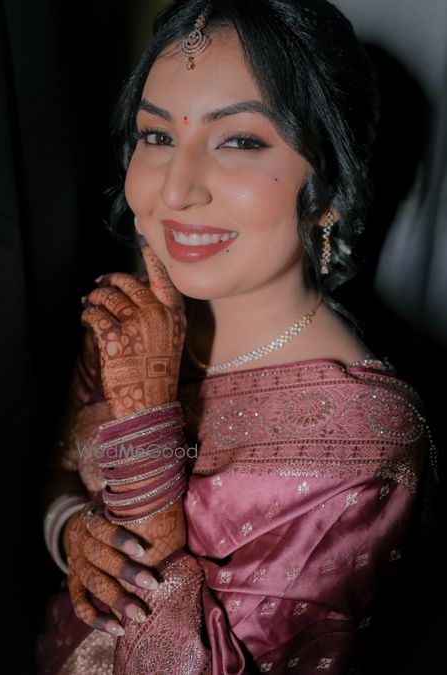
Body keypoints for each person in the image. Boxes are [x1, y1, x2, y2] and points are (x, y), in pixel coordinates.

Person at [37, 1, 434, 673]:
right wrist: (71, 532)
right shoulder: (136, 322)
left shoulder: (369, 441)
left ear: (331, 187)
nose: (176, 189)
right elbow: (59, 474)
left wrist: (145, 422)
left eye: (240, 141)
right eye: (156, 135)